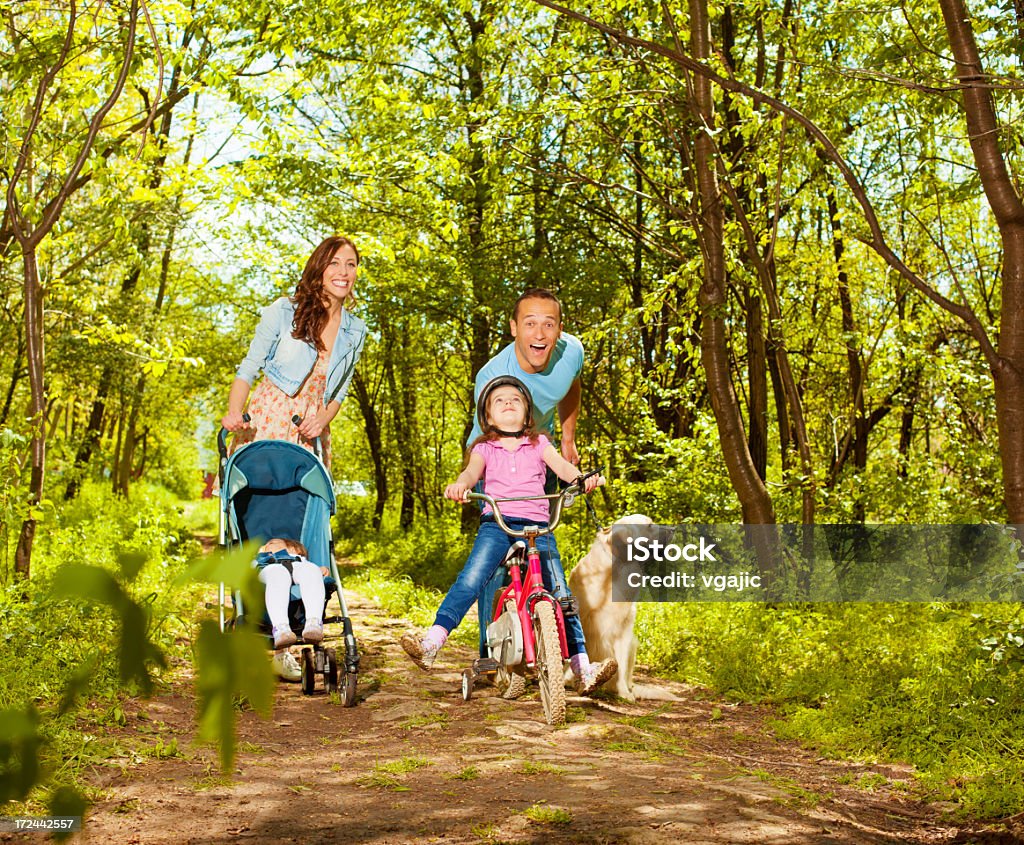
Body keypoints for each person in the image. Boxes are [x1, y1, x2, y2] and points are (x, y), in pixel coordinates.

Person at [401, 376, 617, 695]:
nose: (507, 403)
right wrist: (461, 485)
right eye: (499, 400)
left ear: (527, 413)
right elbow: (471, 473)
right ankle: (432, 642)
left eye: (515, 399)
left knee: (561, 594)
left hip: (539, 528)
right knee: (471, 580)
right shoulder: (484, 448)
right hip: (497, 524)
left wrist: (582, 479)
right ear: (488, 417)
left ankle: (582, 667)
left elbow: (562, 468)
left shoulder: (540, 444)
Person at [468, 288, 584, 657]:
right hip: (496, 456)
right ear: (513, 327)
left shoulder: (571, 352)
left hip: (539, 451)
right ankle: (489, 647)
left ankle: (553, 641)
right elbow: (490, 431)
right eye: (530, 324)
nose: (539, 334)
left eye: (548, 325)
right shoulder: (493, 375)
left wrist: (567, 439)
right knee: (498, 555)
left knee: (542, 550)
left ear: (560, 329)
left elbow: (572, 384)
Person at [221, 235, 367, 469]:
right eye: (334, 263)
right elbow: (248, 368)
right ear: (319, 268)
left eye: (351, 264)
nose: (343, 272)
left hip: (310, 431)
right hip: (267, 421)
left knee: (303, 502)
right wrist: (234, 412)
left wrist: (320, 421)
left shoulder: (356, 331)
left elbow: (339, 392)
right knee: (259, 499)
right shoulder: (284, 311)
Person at [255, 538, 328, 681]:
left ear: (294, 550)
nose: (269, 544)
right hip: (268, 569)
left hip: (297, 568)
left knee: (311, 570)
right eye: (267, 545)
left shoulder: (301, 561)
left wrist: (321, 571)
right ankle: (281, 628)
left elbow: (314, 572)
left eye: (275, 542)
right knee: (278, 573)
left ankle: (313, 623)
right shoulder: (260, 559)